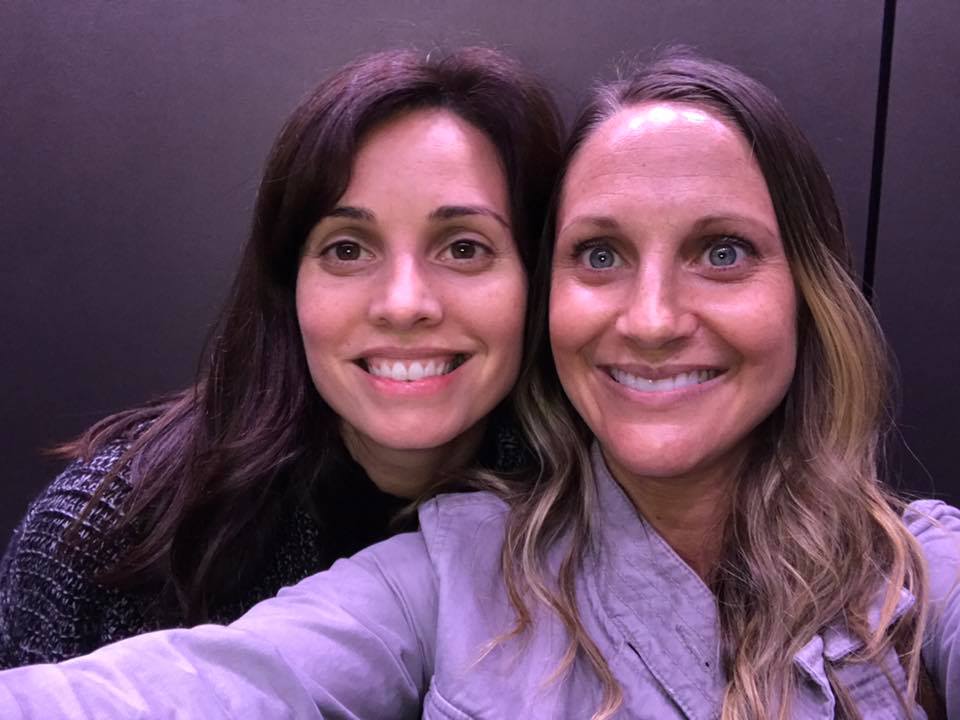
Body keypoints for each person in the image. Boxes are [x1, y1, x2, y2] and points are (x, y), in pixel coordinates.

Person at [0, 50, 956, 719]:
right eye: (601, 254)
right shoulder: (454, 568)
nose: (653, 318)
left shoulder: (919, 567)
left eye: (723, 251)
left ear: (810, 294)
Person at [0, 46, 562, 668]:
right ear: (287, 283)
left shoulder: (594, 527)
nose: (404, 305)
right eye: (347, 249)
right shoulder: (100, 536)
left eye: (463, 248)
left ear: (539, 277)